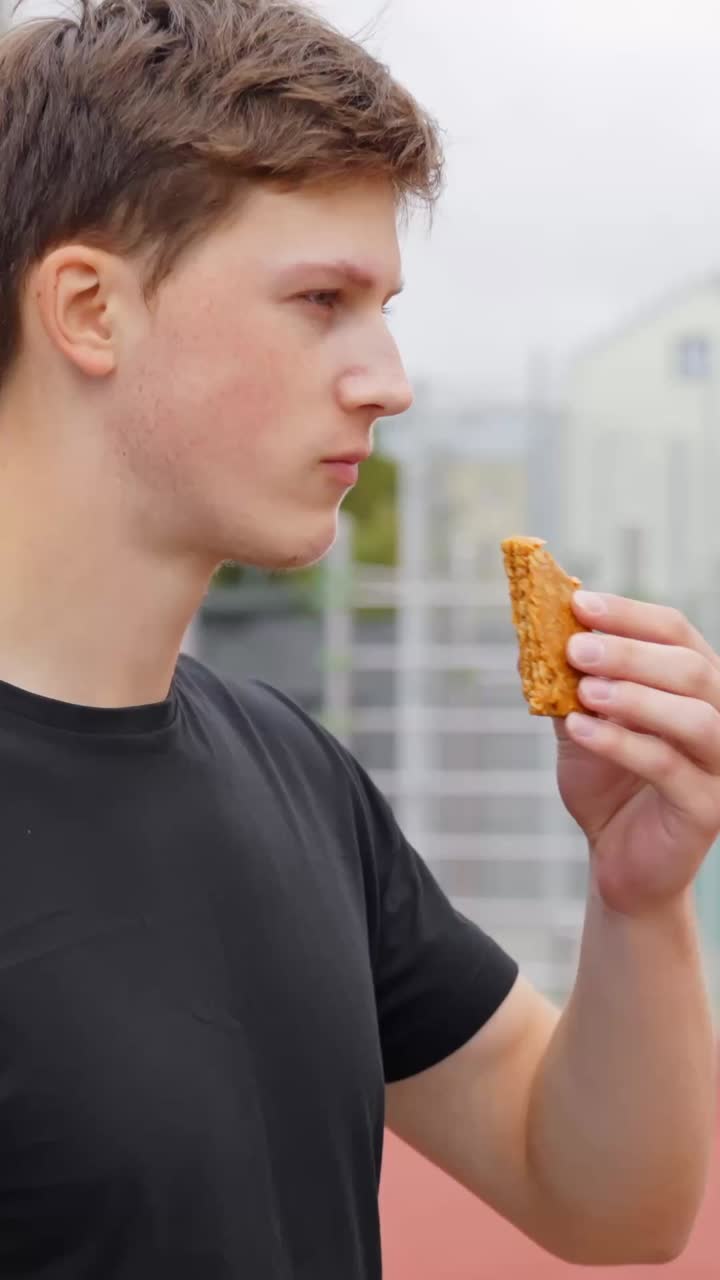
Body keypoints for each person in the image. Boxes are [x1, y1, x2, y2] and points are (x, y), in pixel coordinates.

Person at [0, 1, 716, 1276]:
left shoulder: (295, 770)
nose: (388, 378)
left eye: (381, 303)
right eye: (320, 298)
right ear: (90, 308)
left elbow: (608, 1200)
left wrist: (640, 895)